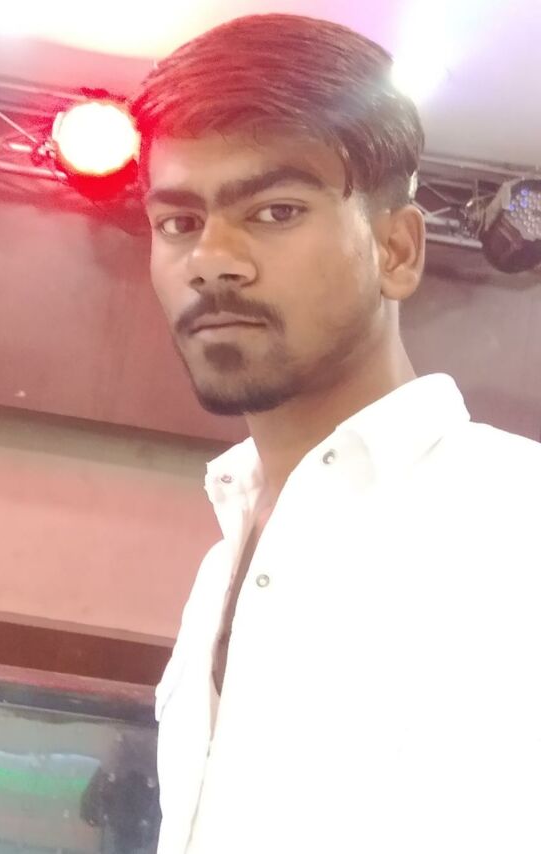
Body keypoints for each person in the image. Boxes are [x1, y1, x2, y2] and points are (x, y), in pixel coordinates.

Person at [130, 13, 541, 854]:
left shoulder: (517, 522)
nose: (211, 259)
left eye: (275, 210)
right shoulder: (222, 568)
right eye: (178, 223)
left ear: (397, 249)